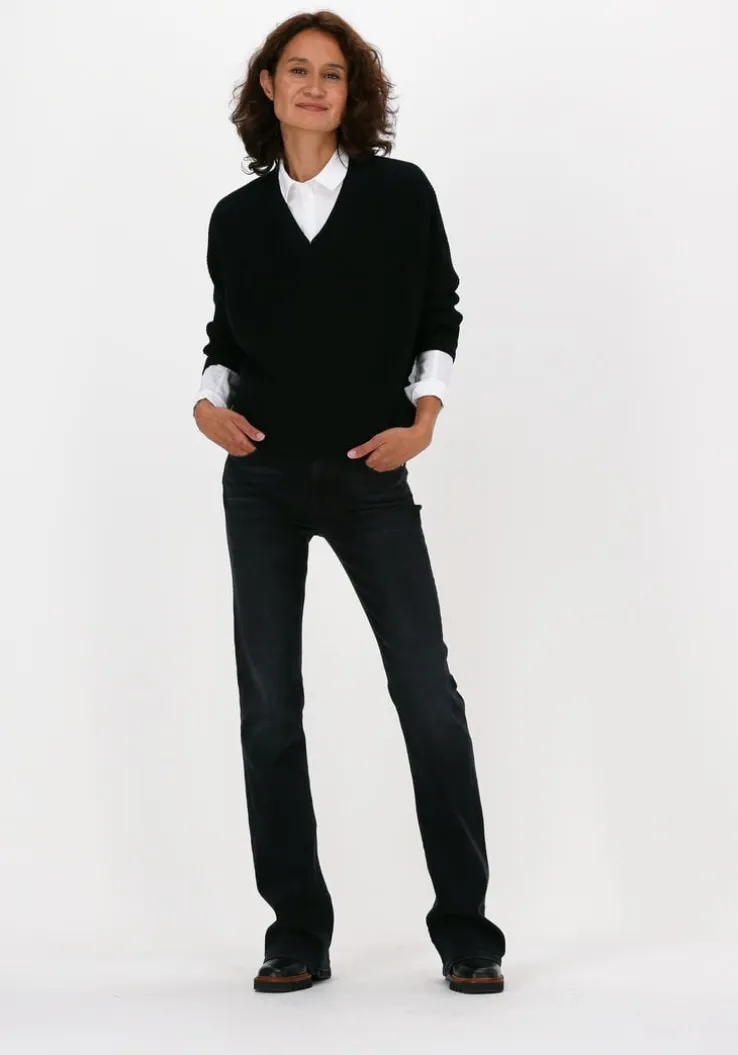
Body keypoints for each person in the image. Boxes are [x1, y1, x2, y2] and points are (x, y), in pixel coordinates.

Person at [193, 11, 506, 996]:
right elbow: (226, 341)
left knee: (427, 694)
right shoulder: (236, 219)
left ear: (351, 93)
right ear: (269, 86)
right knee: (269, 708)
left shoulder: (400, 195)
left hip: (372, 479)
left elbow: (438, 311)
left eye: (332, 74)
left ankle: (467, 930)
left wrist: (425, 418)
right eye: (298, 70)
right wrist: (205, 402)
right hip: (261, 483)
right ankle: (296, 930)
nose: (314, 86)